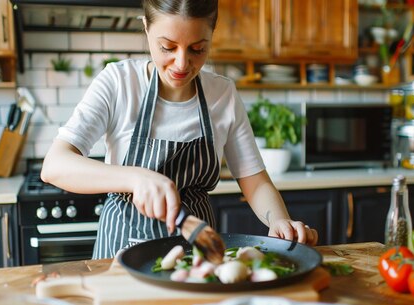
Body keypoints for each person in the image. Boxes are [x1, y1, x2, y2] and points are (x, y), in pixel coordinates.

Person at [41, 0, 319, 259]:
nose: (182, 63)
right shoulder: (119, 82)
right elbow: (55, 165)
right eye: (167, 47)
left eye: (197, 49)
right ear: (146, 27)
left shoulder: (222, 94)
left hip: (196, 250)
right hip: (122, 253)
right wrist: (136, 179)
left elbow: (255, 182)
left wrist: (279, 221)